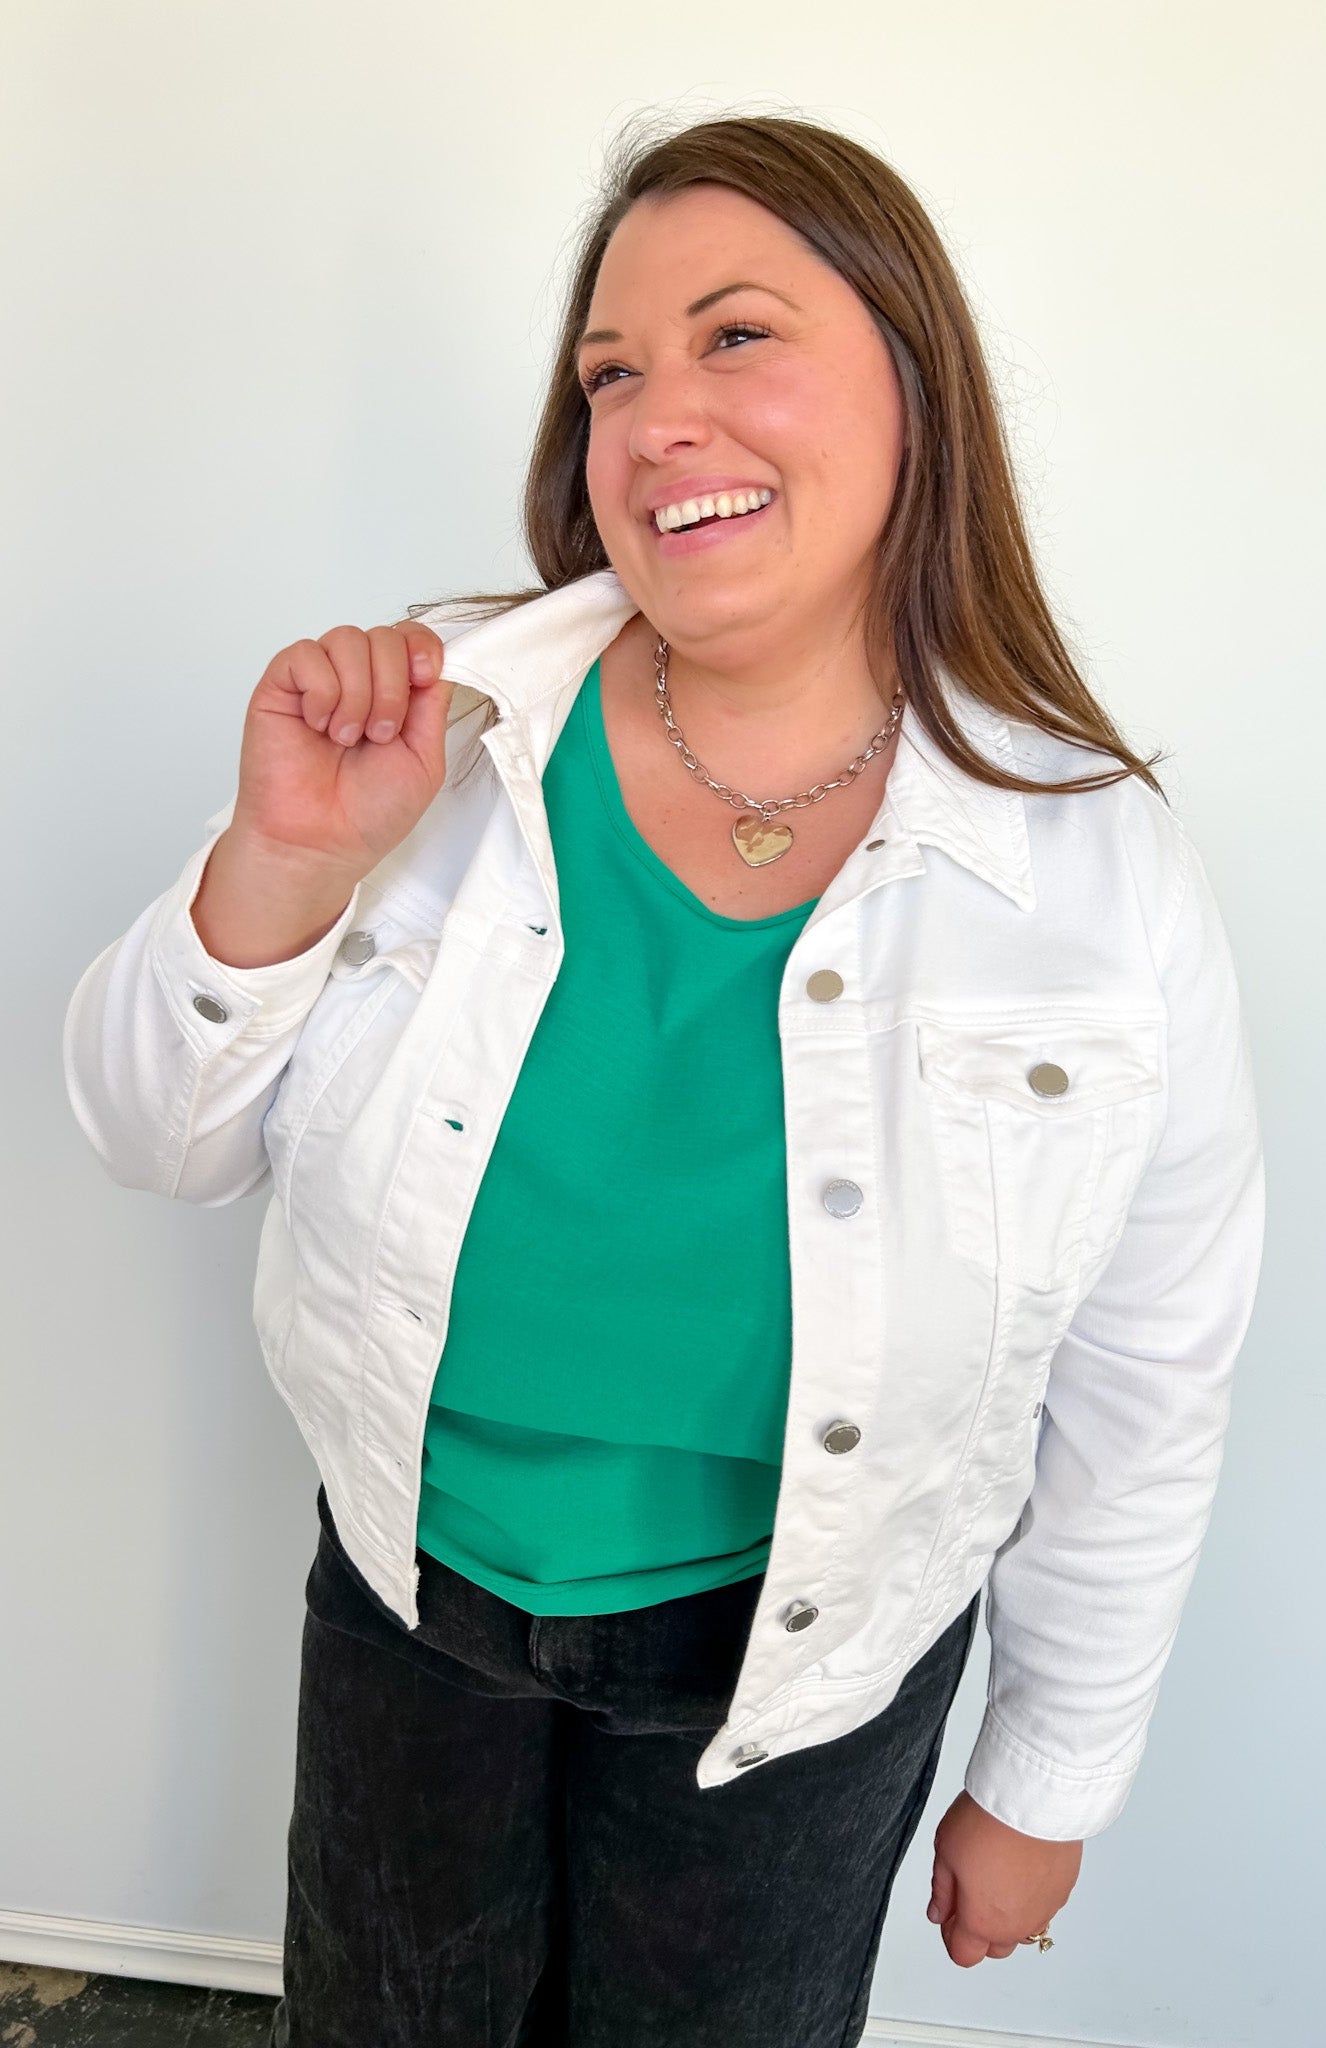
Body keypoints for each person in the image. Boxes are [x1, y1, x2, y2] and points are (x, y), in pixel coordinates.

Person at [63, 113, 1265, 2046]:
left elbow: (1149, 1371)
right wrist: (284, 863)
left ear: (911, 380)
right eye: (611, 372)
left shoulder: (1090, 869)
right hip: (407, 1601)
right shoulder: (430, 727)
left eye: (733, 339)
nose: (653, 418)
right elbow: (148, 1137)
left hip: (806, 1675)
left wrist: (1047, 1778)